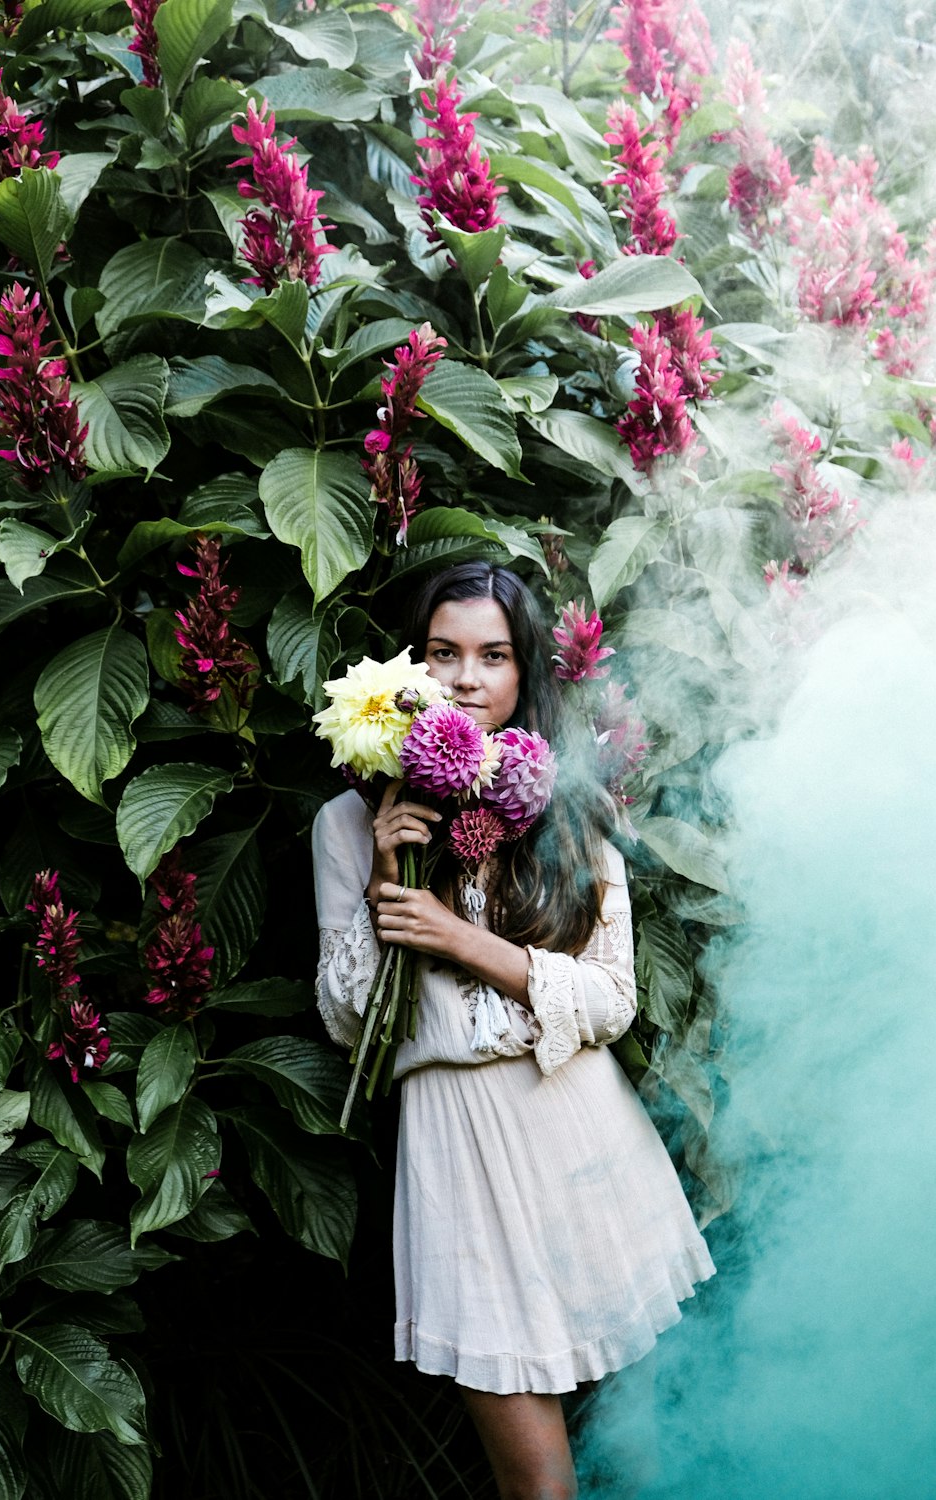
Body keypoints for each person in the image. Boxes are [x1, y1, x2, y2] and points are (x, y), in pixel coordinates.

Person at [313, 562, 715, 1500]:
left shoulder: (566, 806)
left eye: (492, 656)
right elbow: (348, 1023)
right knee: (540, 1483)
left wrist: (473, 945)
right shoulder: (348, 820)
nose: (465, 679)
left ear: (523, 671)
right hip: (459, 1155)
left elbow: (614, 1000)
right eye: (442, 654)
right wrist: (385, 876)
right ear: (405, 670)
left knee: (648, 1455)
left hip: (581, 1137)